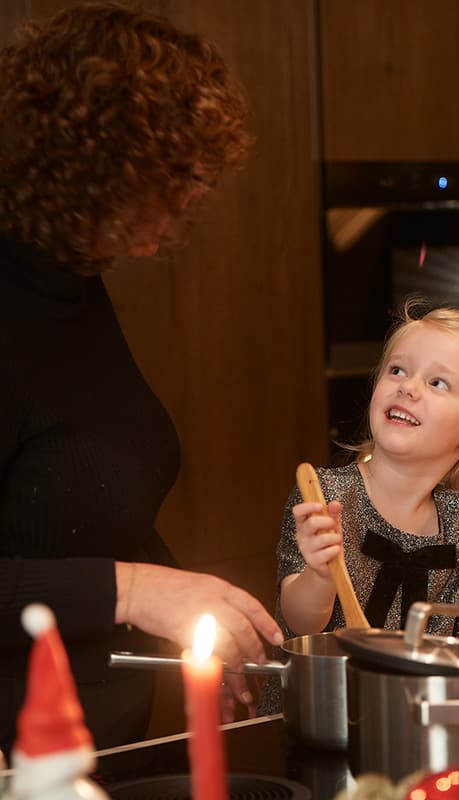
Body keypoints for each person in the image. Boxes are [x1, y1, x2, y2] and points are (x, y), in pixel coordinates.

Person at [0, 2, 283, 757]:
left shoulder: (69, 283)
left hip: (102, 751)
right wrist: (134, 591)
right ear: (89, 165)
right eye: (174, 177)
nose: (189, 201)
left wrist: (195, 618)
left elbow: (79, 508)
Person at [276, 301, 459, 645]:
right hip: (329, 696)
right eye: (397, 370)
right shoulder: (324, 495)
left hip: (422, 700)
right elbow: (300, 624)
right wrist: (320, 575)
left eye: (438, 382)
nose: (408, 387)